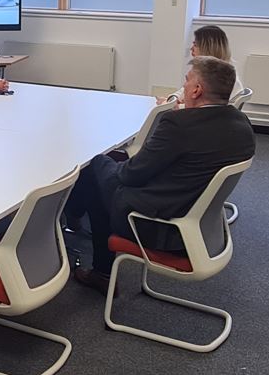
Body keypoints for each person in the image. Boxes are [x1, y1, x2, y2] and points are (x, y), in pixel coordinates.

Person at [67, 56, 255, 294]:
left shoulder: (179, 124)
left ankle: (88, 246)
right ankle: (83, 235)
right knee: (105, 169)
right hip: (198, 220)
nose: (183, 86)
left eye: (187, 81)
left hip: (158, 225)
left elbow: (132, 175)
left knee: (94, 165)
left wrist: (107, 165)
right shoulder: (241, 123)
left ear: (197, 90)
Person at [164, 24, 245, 105]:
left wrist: (175, 106)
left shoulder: (225, 79)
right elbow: (183, 91)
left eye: (195, 45)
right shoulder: (203, 71)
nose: (191, 48)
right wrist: (172, 99)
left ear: (207, 49)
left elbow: (211, 110)